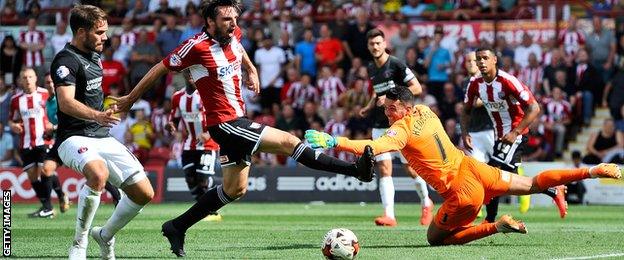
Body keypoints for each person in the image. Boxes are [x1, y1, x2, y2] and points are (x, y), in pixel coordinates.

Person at [111, 0, 374, 257]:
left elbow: (238, 46)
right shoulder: (195, 47)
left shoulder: (232, 34)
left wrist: (251, 70)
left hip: (236, 120)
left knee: (235, 189)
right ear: (210, 21)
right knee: (289, 142)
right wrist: (130, 99)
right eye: (227, 19)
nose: (233, 24)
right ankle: (354, 170)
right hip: (226, 124)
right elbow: (159, 68)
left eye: (235, 19)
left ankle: (176, 227)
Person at [305, 86, 622, 246]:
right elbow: (412, 131)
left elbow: (373, 147)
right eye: (385, 108)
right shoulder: (425, 111)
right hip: (473, 166)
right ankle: (592, 171)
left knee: (435, 239)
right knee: (534, 183)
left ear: (403, 108)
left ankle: (495, 226)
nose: (387, 113)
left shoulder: (399, 129)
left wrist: (334, 141)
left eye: (390, 108)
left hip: (461, 189)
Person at [50, 5, 154, 259]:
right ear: (81, 31)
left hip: (101, 136)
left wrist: (109, 102)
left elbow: (91, 95)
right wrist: (97, 115)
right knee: (98, 173)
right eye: (99, 32)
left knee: (144, 194)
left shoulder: (95, 55)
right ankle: (79, 244)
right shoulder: (65, 60)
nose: (105, 37)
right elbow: (66, 102)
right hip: (72, 137)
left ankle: (104, 235)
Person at [461, 46, 567, 221]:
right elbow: (465, 110)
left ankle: (489, 220)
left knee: (493, 173)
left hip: (516, 134)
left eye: (485, 58)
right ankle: (554, 190)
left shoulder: (508, 81)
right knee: (510, 179)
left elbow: (534, 107)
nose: (481, 62)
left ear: (494, 60)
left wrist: (515, 132)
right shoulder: (475, 84)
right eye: (478, 59)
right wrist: (465, 133)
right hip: (499, 137)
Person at [358, 28, 433, 227]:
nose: (375, 47)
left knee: (411, 168)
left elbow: (417, 88)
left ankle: (426, 202)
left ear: (384, 44)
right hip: (379, 124)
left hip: (400, 124)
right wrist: (368, 106)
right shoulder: (371, 68)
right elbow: (378, 93)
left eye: (378, 43)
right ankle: (389, 215)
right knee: (384, 168)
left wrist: (392, 99)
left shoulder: (397, 64)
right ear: (368, 46)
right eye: (371, 44)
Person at [168, 70, 223, 221]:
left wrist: (209, 134)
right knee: (191, 179)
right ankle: (206, 212)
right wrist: (171, 125)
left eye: (194, 71)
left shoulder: (208, 94)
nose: (191, 74)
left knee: (203, 180)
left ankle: (218, 189)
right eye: (189, 71)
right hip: (189, 145)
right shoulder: (178, 97)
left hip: (208, 144)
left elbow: (220, 119)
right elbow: (174, 118)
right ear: (184, 74)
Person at [9, 67, 55, 218]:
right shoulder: (15, 100)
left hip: (44, 140)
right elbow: (12, 119)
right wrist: (13, 126)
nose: (28, 80)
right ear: (21, 81)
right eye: (25, 77)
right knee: (32, 176)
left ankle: (53, 203)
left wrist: (52, 125)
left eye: (30, 77)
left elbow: (55, 111)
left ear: (36, 78)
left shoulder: (45, 93)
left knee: (45, 170)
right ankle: (46, 207)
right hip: (26, 142)